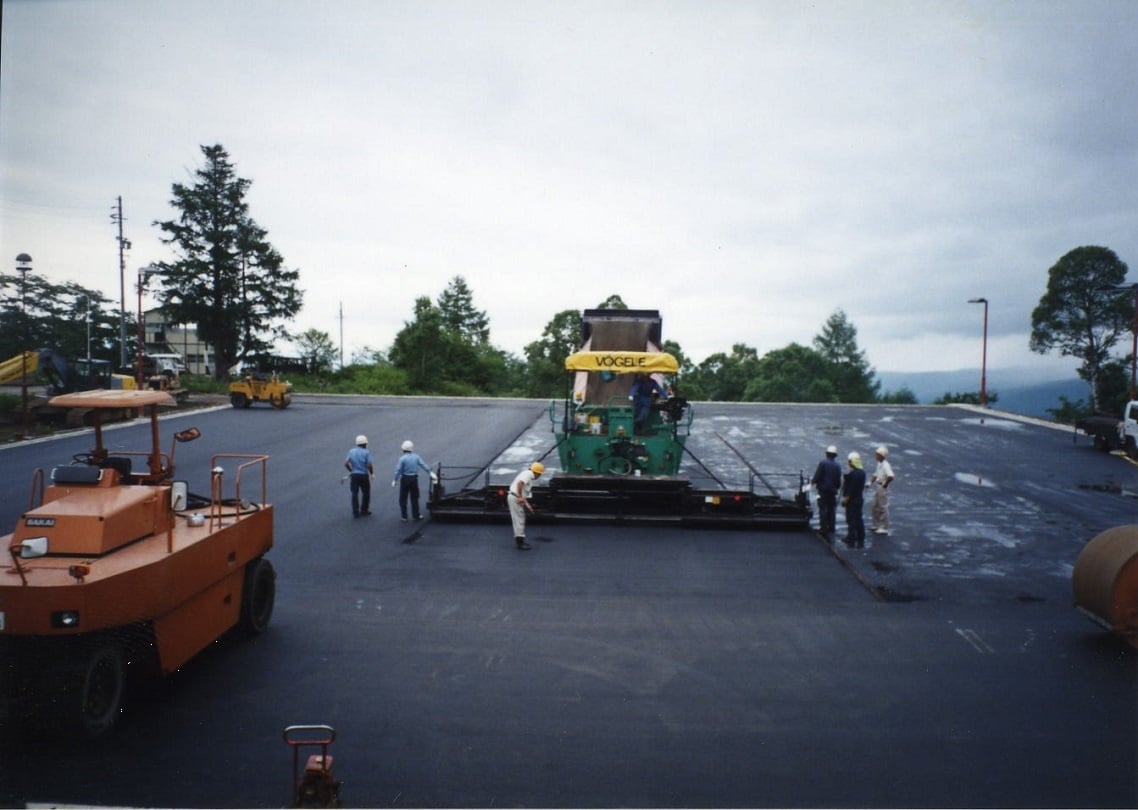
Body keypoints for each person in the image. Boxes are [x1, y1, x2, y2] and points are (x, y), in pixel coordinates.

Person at [393, 440, 436, 521]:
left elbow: (398, 470)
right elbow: (423, 465)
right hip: (414, 479)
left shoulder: (402, 459)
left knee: (403, 498)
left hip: (405, 479)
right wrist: (430, 472)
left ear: (403, 449)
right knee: (414, 497)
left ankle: (404, 516)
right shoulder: (416, 457)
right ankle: (416, 515)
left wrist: (395, 480)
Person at [508, 462, 544, 550]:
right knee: (519, 520)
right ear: (536, 472)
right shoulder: (529, 474)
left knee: (520, 519)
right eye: (539, 475)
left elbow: (523, 496)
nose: (538, 476)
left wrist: (529, 507)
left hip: (515, 497)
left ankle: (520, 541)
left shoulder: (528, 476)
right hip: (515, 497)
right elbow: (520, 484)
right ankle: (520, 543)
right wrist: (520, 497)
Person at [810, 445, 842, 539]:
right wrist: (836, 487)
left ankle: (823, 528)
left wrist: (812, 483)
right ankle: (831, 528)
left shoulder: (823, 463)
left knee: (823, 509)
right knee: (831, 509)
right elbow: (838, 480)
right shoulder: (837, 465)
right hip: (832, 491)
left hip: (823, 490)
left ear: (827, 454)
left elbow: (818, 475)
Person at [344, 434, 375, 518]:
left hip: (354, 475)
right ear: (365, 444)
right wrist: (372, 473)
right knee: (366, 493)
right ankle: (364, 510)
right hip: (363, 475)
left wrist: (351, 471)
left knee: (354, 493)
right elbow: (369, 465)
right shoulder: (366, 452)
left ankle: (355, 511)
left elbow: (346, 463)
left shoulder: (351, 451)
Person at [841, 451, 866, 548]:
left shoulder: (854, 474)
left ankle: (851, 537)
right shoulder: (862, 473)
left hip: (852, 501)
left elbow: (851, 489)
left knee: (851, 519)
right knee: (859, 518)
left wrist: (845, 500)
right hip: (859, 499)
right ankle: (861, 535)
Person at [869, 445, 895, 536]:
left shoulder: (886, 465)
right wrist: (870, 482)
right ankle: (876, 524)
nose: (875, 456)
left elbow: (891, 476)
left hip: (882, 487)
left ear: (881, 455)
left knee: (883, 507)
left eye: (877, 455)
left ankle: (884, 527)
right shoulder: (879, 463)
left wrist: (885, 483)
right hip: (878, 485)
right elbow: (876, 474)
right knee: (875, 505)